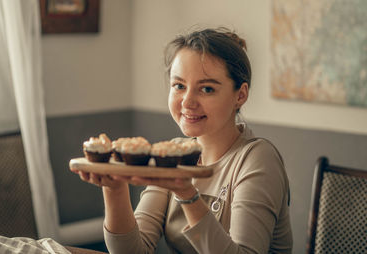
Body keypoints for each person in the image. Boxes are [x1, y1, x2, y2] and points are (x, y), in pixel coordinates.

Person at [75, 27, 293, 254]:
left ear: (240, 95)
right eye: (179, 86)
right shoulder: (174, 154)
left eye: (207, 89)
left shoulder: (257, 159)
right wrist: (114, 187)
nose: (187, 102)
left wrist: (187, 194)